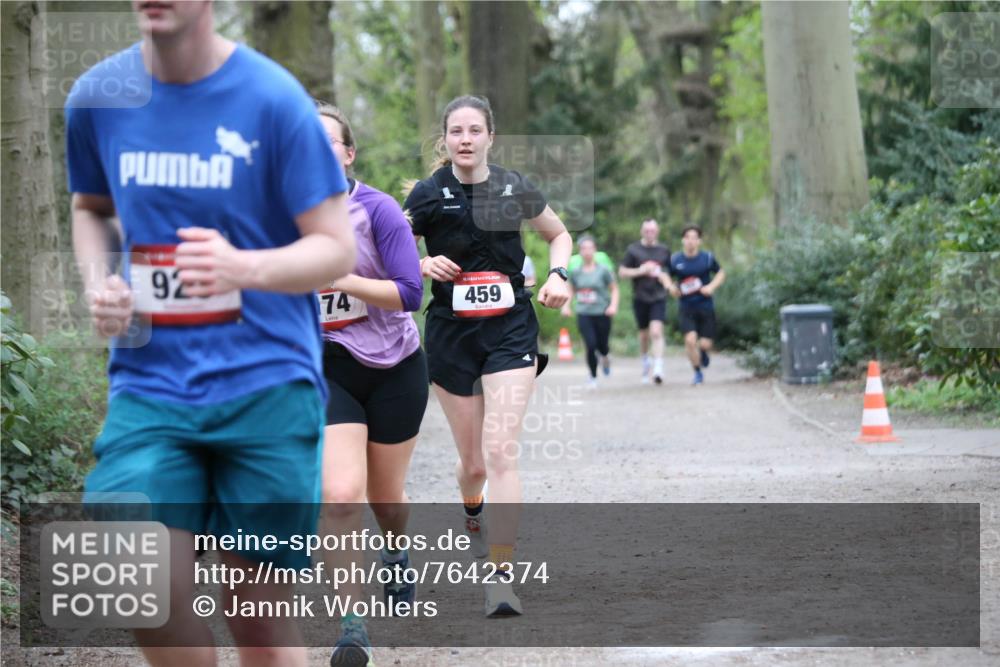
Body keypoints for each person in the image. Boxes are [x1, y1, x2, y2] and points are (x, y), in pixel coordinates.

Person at [66, 3, 355, 666]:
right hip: (150, 385)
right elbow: (91, 208)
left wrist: (242, 266)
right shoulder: (97, 98)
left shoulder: (274, 100)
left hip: (267, 384)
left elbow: (336, 248)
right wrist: (99, 280)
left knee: (256, 619)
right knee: (134, 570)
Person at [403, 95, 571, 617]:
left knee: (500, 452)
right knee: (472, 463)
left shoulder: (513, 186)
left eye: (475, 130)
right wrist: (424, 262)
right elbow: (390, 248)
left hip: (509, 330)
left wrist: (559, 273)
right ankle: (471, 509)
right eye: (457, 131)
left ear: (490, 137)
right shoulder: (429, 195)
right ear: (446, 140)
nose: (467, 139)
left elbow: (558, 234)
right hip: (452, 334)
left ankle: (500, 576)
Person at [313, 102, 428, 666]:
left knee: (386, 500)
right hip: (328, 367)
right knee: (339, 496)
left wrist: (343, 278)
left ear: (348, 153)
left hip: (395, 367)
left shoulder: (377, 209)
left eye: (327, 143)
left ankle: (397, 550)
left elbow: (411, 293)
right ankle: (352, 629)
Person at [664, 225, 726, 385]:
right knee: (690, 341)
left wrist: (711, 287)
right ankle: (697, 372)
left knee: (705, 343)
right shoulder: (675, 259)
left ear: (699, 241)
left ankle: (704, 351)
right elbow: (664, 275)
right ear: (683, 240)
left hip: (705, 306)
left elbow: (721, 273)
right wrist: (670, 287)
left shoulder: (707, 258)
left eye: (694, 238)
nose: (690, 241)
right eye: (687, 238)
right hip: (686, 307)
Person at [561, 234, 619, 388]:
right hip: (584, 312)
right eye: (583, 248)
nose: (587, 251)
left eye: (590, 248)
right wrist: (566, 306)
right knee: (590, 344)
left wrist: (613, 306)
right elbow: (570, 290)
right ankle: (592, 376)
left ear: (595, 250)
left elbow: (614, 289)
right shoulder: (575, 272)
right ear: (579, 251)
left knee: (602, 345)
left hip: (602, 312)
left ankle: (605, 357)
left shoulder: (603, 270)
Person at [619, 219, 671, 384]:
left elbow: (669, 273)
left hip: (659, 297)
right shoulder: (633, 250)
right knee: (644, 335)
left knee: (656, 331)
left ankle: (658, 368)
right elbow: (622, 272)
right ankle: (645, 361)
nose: (650, 233)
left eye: (653, 230)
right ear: (642, 232)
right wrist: (641, 270)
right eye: (647, 230)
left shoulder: (664, 250)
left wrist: (666, 280)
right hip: (640, 297)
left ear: (657, 231)